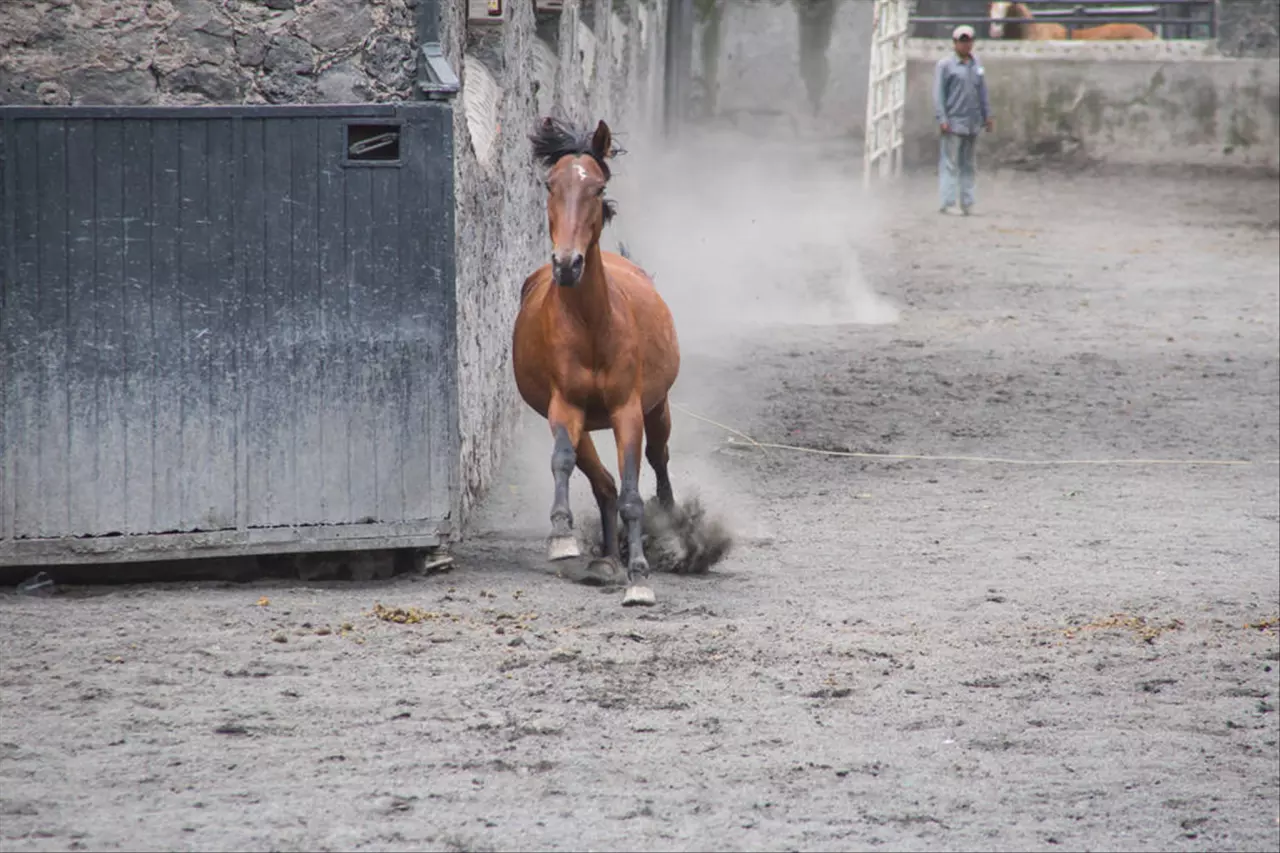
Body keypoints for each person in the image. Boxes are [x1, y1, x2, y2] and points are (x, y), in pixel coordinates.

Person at [932, 25, 994, 215]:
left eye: (968, 41)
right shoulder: (945, 66)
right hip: (953, 121)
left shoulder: (976, 64)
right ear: (955, 43)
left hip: (972, 122)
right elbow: (938, 94)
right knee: (950, 163)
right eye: (962, 41)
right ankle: (948, 202)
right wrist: (942, 118)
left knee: (968, 164)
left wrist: (987, 115)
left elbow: (982, 91)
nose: (966, 45)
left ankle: (967, 202)